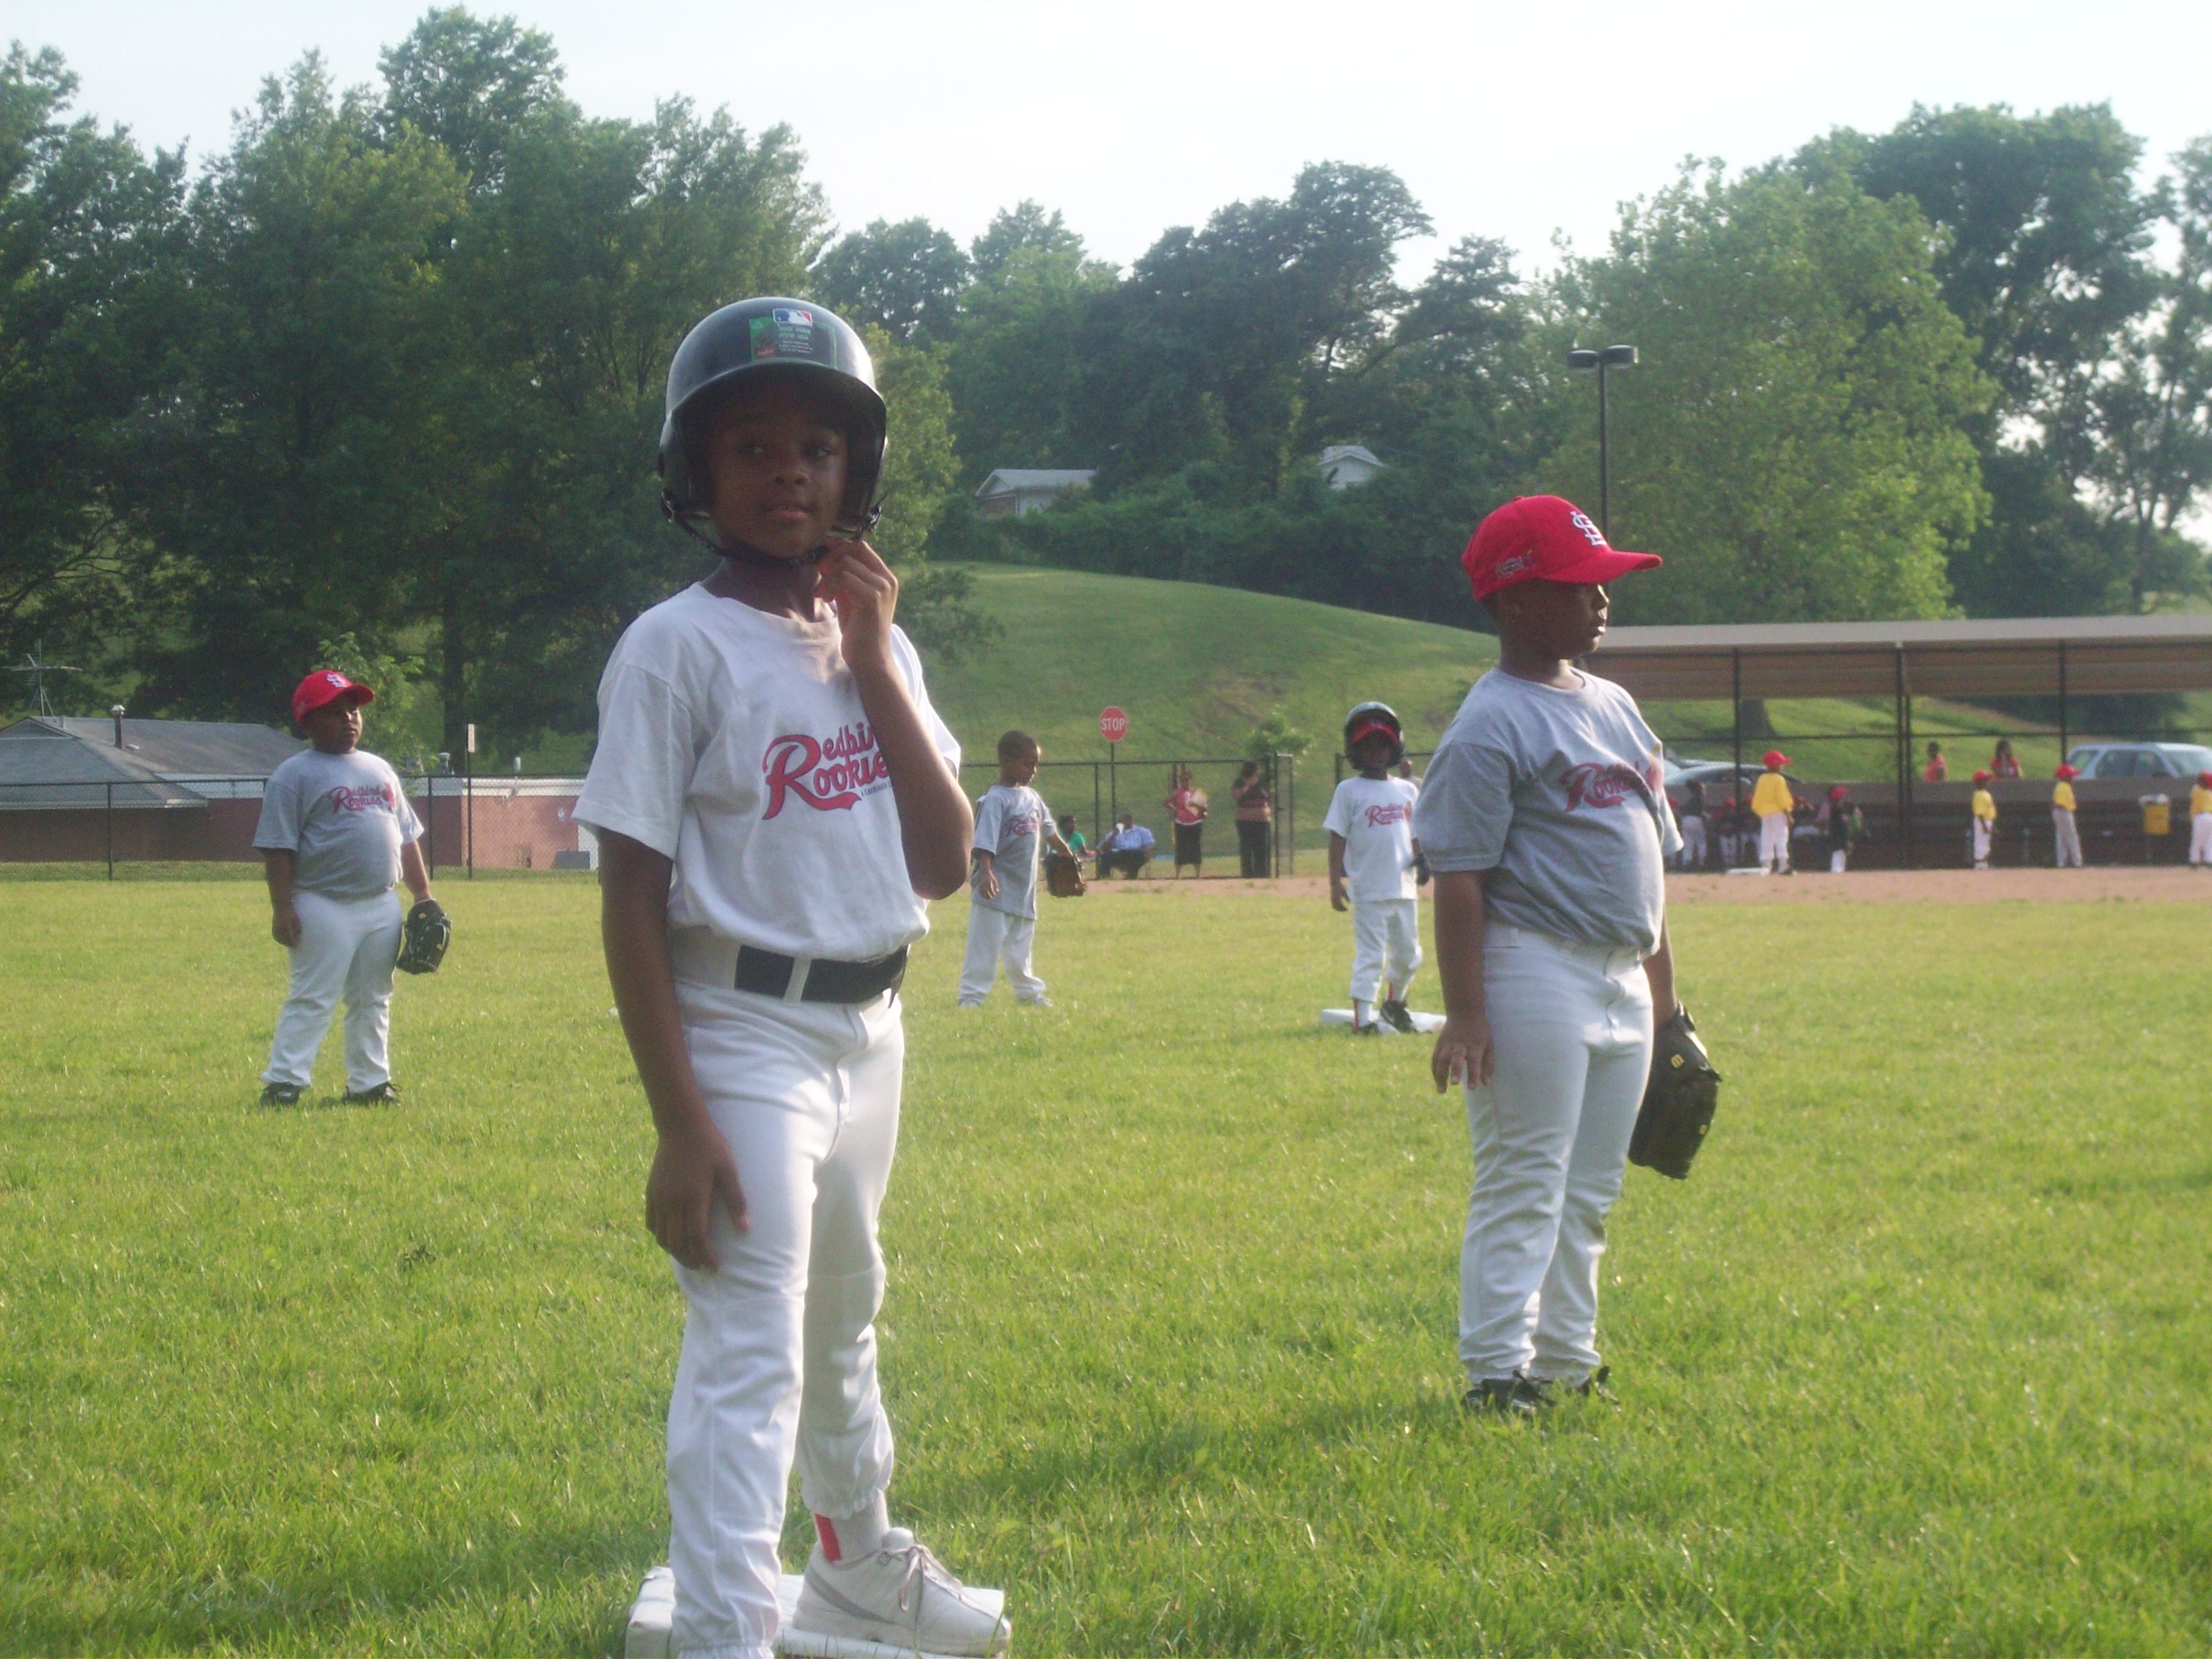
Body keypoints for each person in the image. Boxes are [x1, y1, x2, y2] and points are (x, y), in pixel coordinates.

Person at [572, 297, 1007, 1659]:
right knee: (750, 1349)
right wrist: (678, 1121)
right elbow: (631, 897)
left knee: (844, 1315)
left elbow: (944, 862)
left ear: (854, 474)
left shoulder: (885, 643)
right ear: (697, 476)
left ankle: (859, 1564)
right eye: (750, 448)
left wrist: (872, 659)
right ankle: (722, 1635)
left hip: (869, 1026)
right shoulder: (675, 645)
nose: (787, 475)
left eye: (816, 449)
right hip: (740, 1024)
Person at [1415, 494, 1687, 1416]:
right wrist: (1468, 1010)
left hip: (1620, 971)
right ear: (1519, 601)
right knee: (1527, 1175)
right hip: (1530, 966)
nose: (1604, 601)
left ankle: (1569, 1359)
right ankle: (1497, 1372)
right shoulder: (1491, 722)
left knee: (1592, 1190)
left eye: (1605, 583)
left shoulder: (1613, 704)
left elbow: (1647, 868)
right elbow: (1459, 876)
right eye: (1583, 586)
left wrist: (1668, 1003)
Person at [254, 668, 434, 1106]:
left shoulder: (379, 768)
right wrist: (282, 909)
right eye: (335, 712)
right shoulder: (293, 775)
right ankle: (284, 1081)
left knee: (373, 998)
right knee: (313, 996)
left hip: (380, 903)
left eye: (353, 709)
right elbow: (278, 850)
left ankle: (369, 1083)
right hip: (320, 902)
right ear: (309, 721)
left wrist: (424, 897)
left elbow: (407, 838)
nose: (350, 718)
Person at [1324, 703, 1424, 1034]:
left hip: (1404, 887)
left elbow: (1415, 833)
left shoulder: (1407, 790)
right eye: (1368, 745)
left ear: (1394, 746)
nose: (1377, 751)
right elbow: (1338, 836)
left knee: (1410, 955)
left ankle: (1394, 1005)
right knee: (1371, 956)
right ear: (1355, 750)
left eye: (1383, 744)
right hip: (1369, 889)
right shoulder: (1349, 791)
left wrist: (1423, 859)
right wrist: (1335, 882)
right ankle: (1363, 1021)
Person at [960, 730, 1070, 1008]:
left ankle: (1028, 994)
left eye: (1035, 764)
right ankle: (971, 997)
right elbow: (983, 842)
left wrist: (1068, 855)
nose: (1033, 770)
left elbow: (1049, 831)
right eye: (1027, 763)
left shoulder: (1032, 798)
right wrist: (985, 872)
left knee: (1020, 950)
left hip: (1024, 890)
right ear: (1006, 761)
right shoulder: (995, 800)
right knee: (984, 948)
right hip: (994, 890)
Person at [1750, 749, 1795, 874]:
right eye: (1781, 764)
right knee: (1781, 836)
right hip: (1778, 811)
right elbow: (1781, 798)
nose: (1782, 766)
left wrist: (1759, 810)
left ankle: (1766, 864)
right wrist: (1788, 815)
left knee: (1767, 836)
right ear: (1775, 765)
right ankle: (1783, 864)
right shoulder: (1779, 779)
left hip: (1765, 812)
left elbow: (1757, 797)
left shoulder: (1762, 779)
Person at [1230, 759, 1274, 878]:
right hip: (1244, 820)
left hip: (1261, 820)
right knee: (1246, 846)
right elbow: (1236, 796)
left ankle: (1262, 874)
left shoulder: (1263, 782)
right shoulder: (1239, 782)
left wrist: (1268, 810)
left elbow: (1268, 797)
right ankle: (1247, 874)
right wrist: (1247, 786)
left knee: (1261, 847)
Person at [1165, 764, 1207, 876]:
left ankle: (1197, 874)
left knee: (1195, 848)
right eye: (1182, 781)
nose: (1185, 783)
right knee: (1180, 848)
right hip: (1181, 823)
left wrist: (1195, 805)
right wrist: (1175, 810)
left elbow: (1205, 809)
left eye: (1186, 780)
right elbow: (1165, 802)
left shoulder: (1197, 792)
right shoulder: (1177, 793)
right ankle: (1178, 874)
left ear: (1190, 780)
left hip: (1195, 823)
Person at [1095, 812, 1155, 878]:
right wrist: (1113, 835)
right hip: (1120, 854)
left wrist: (1144, 851)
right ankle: (1104, 877)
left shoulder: (1143, 831)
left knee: (1139, 856)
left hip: (1135, 853)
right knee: (1105, 856)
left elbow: (1151, 845)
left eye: (1124, 821)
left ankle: (1131, 876)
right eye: (1120, 822)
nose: (1122, 823)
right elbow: (1103, 848)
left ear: (1130, 821)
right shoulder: (1114, 833)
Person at [2052, 763, 2084, 868]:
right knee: (2072, 837)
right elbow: (2059, 803)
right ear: (2065, 777)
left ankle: (2061, 862)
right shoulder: (2064, 787)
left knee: (2061, 837)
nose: (2073, 778)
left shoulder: (2061, 786)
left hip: (2060, 812)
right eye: (2071, 775)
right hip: (2064, 812)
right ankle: (2077, 862)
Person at [1675, 780, 1708, 871]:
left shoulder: (1691, 799)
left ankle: (1686, 862)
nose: (1704, 790)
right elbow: (1700, 812)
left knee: (1688, 843)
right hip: (1696, 820)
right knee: (1701, 842)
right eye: (1703, 788)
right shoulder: (1699, 798)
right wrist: (1707, 817)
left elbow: (1683, 810)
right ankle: (1702, 863)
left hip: (1686, 820)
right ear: (1698, 789)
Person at [1823, 784, 1855, 873]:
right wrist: (1846, 840)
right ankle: (1836, 869)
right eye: (1842, 796)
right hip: (1839, 834)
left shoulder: (1838, 808)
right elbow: (1842, 825)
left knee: (1840, 852)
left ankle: (1838, 869)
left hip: (1838, 834)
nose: (1844, 797)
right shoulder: (1838, 809)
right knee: (1838, 851)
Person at [1970, 769, 1997, 868]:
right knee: (1981, 843)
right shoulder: (1979, 794)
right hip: (1982, 821)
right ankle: (1979, 864)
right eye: (1985, 780)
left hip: (1988, 820)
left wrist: (1991, 825)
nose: (1987, 782)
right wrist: (1984, 825)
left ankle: (1983, 864)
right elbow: (1979, 813)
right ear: (1979, 782)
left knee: (1985, 843)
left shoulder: (1985, 793)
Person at [2191, 769, 2212, 868]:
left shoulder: (2196, 789)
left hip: (2200, 817)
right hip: (2210, 817)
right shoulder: (2209, 792)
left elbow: (2193, 795)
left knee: (2197, 840)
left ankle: (2194, 861)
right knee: (2209, 841)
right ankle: (2210, 861)